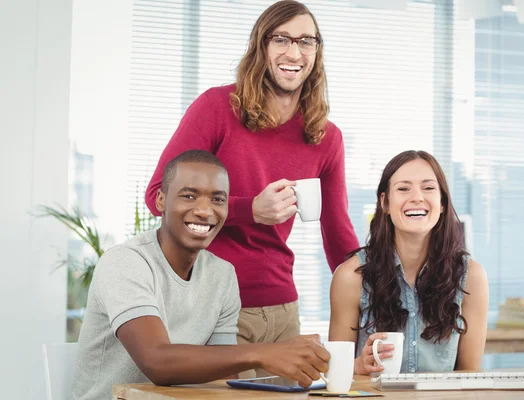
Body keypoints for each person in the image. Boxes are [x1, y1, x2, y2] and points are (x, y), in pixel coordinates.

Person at [145, 0, 359, 355]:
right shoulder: (217, 108)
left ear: (316, 52)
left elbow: (338, 236)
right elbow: (157, 197)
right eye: (281, 39)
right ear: (261, 46)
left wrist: (382, 292)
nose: (295, 51)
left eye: (307, 41)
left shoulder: (326, 136)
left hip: (284, 310)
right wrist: (250, 210)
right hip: (214, 304)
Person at [73, 150, 330, 400]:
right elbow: (156, 361)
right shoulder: (126, 262)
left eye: (217, 199)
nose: (205, 211)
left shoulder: (222, 275)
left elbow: (220, 367)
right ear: (161, 200)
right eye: (189, 196)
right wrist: (266, 353)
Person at [328, 150, 489, 375]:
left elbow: (469, 374)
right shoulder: (351, 276)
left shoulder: (471, 276)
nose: (417, 197)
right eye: (403, 188)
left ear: (442, 202)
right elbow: (337, 373)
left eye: (428, 188)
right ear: (384, 203)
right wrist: (357, 367)